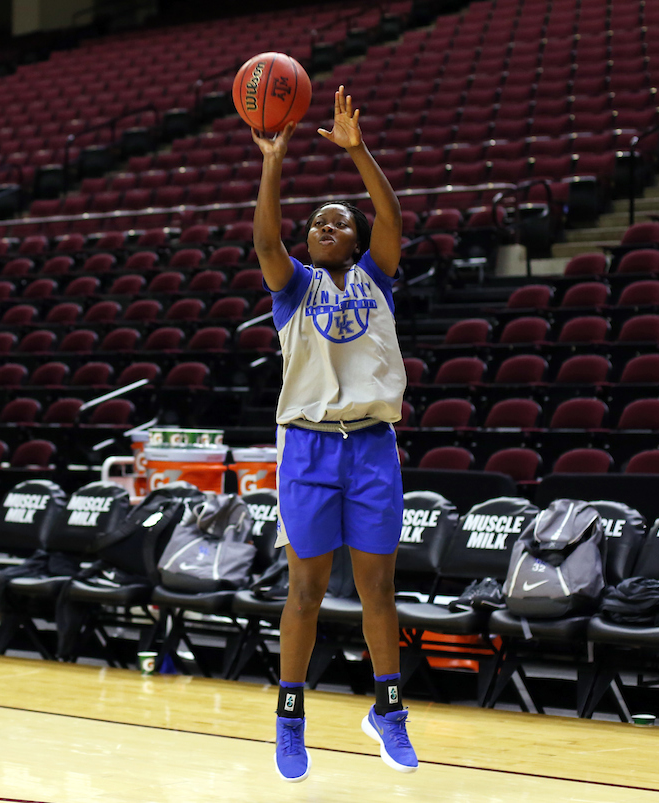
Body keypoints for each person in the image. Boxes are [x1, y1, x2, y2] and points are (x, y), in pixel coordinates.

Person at [252, 86, 415, 782]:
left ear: (353, 239)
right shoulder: (294, 290)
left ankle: (389, 711)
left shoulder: (376, 277)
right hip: (311, 445)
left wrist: (357, 152)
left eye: (336, 220)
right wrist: (273, 160)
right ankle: (290, 721)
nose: (325, 225)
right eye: (316, 220)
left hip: (371, 445)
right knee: (306, 591)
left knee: (378, 589)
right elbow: (265, 239)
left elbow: (391, 216)